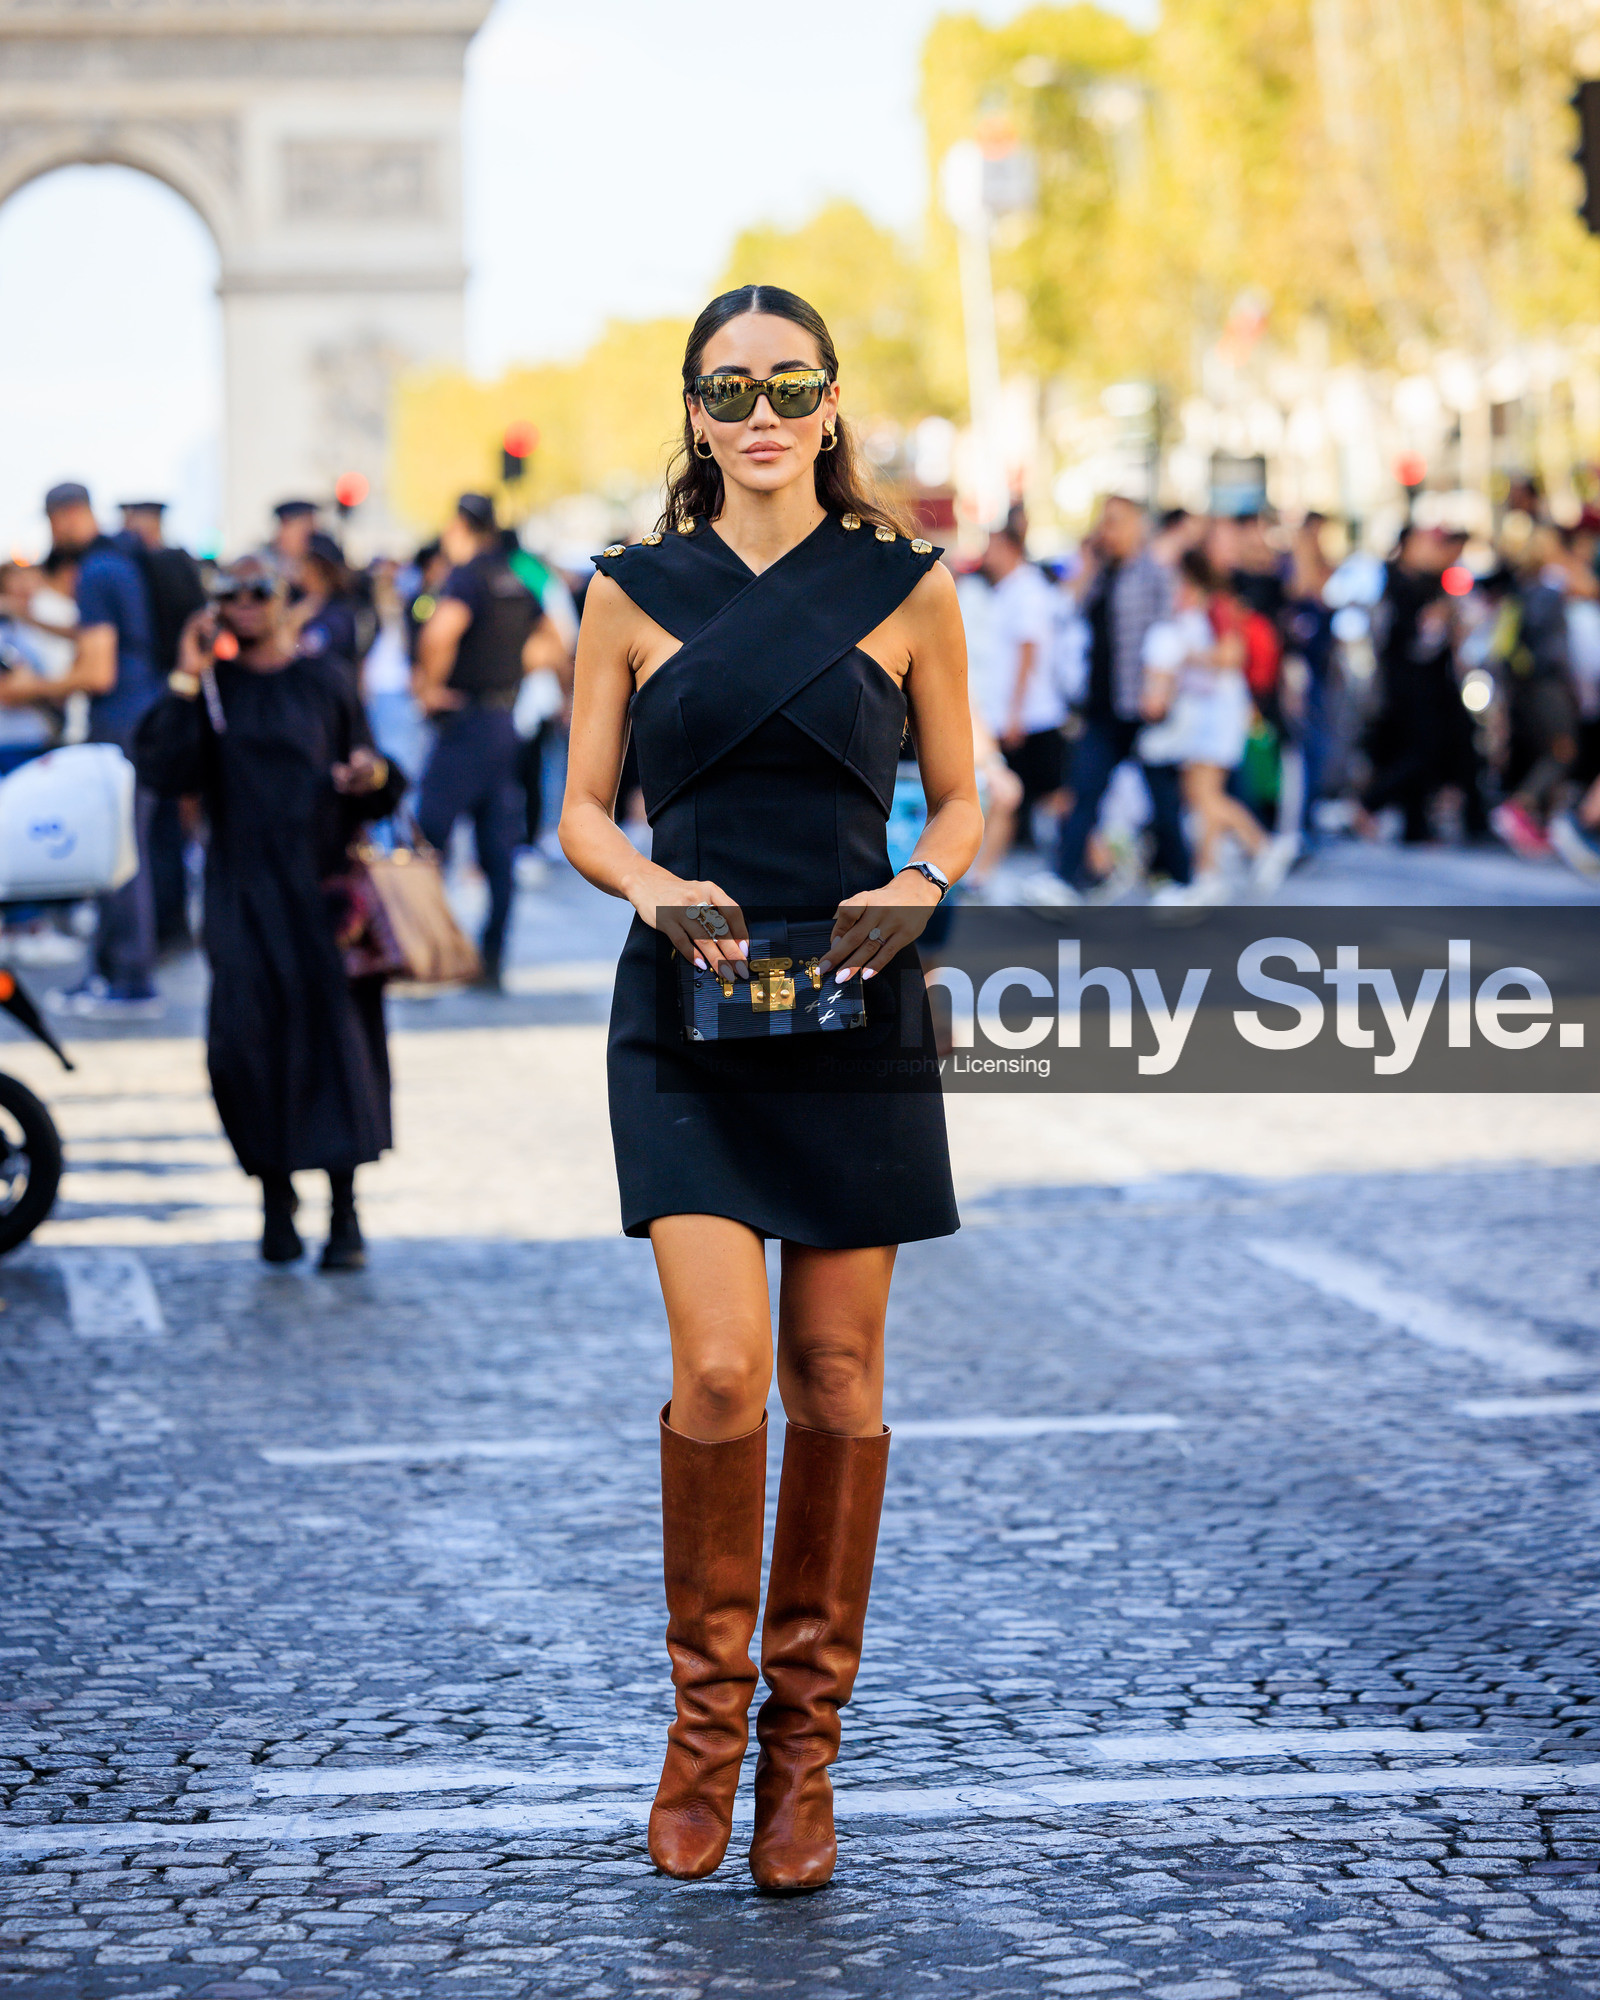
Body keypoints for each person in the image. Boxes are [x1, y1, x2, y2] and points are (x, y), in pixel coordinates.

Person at [559, 284, 981, 1892]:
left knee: (840, 1381)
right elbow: (585, 813)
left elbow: (965, 790)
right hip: (688, 1008)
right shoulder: (624, 591)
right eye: (729, 387)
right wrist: (652, 888)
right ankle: (703, 1738)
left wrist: (927, 878)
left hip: (858, 1003)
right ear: (692, 409)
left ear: (827, 403)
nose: (760, 412)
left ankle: (806, 1768)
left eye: (788, 383)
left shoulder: (909, 586)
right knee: (725, 1372)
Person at [133, 558, 404, 1268]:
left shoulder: (324, 680)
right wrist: (187, 672)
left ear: (286, 600)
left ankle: (345, 1213)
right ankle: (274, 1198)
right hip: (241, 894)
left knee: (336, 1049)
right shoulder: (210, 689)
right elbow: (163, 770)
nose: (246, 604)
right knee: (243, 1050)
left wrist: (369, 777)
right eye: (230, 595)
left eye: (260, 593)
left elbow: (379, 774)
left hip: (324, 892)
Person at [0, 484, 163, 1014]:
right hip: (143, 721)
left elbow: (98, 669)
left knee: (117, 855)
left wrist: (27, 691)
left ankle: (128, 980)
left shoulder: (97, 571)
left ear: (68, 517)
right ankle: (115, 973)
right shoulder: (119, 564)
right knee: (126, 850)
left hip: (121, 725)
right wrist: (28, 616)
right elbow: (95, 640)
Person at [1053, 494, 1190, 893]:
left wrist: (1158, 691)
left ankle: (1182, 880)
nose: (1105, 529)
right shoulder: (1100, 572)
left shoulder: (1154, 573)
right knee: (1085, 791)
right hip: (1103, 704)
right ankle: (1065, 878)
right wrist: (1089, 560)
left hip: (1143, 705)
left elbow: (1166, 634)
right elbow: (1070, 611)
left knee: (1164, 800)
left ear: (1136, 524)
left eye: (1113, 522)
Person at [117, 502, 208, 950]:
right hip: (174, 688)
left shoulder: (152, 566)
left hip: (168, 690)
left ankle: (157, 931)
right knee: (167, 824)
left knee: (154, 826)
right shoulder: (171, 564)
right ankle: (169, 924)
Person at [979, 522, 1064, 850]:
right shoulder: (1009, 588)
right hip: (1017, 713)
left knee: (1052, 796)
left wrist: (1016, 712)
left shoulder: (1026, 589)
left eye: (993, 548)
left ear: (1011, 549)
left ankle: (1098, 862)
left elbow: (1028, 651)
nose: (987, 556)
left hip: (1032, 714)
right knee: (1013, 796)